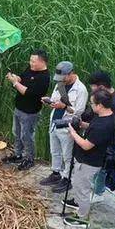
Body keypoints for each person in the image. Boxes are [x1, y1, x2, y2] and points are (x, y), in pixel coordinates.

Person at [61, 89, 115, 227]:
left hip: (89, 162)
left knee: (82, 189)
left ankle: (81, 218)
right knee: (79, 185)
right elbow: (93, 128)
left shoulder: (103, 125)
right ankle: (79, 206)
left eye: (92, 103)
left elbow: (86, 145)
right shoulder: (105, 116)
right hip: (87, 159)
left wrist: (73, 133)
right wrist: (81, 124)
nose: (90, 105)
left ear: (100, 105)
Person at [39, 61, 89, 193]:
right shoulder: (60, 84)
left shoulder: (81, 89)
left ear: (71, 73)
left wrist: (65, 107)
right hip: (55, 121)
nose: (61, 80)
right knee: (54, 150)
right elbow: (56, 100)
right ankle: (56, 173)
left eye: (63, 77)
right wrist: (49, 101)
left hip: (68, 125)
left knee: (67, 154)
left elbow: (78, 112)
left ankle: (67, 178)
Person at [3, 49, 51, 171]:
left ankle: (29, 159)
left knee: (27, 136)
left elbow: (27, 92)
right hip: (19, 108)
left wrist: (14, 83)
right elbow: (22, 78)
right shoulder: (31, 69)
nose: (30, 63)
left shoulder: (44, 77)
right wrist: (16, 78)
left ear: (42, 62)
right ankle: (18, 154)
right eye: (30, 60)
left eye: (33, 61)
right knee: (16, 132)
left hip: (30, 112)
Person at [86, 71, 115, 198]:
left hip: (104, 137)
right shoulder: (109, 95)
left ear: (101, 86)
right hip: (99, 132)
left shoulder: (113, 102)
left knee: (101, 167)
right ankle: (95, 189)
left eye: (93, 87)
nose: (92, 90)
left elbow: (107, 123)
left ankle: (98, 193)